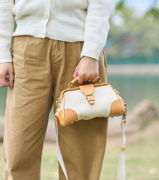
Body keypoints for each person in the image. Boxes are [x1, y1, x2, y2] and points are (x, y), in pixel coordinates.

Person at [0, 0, 115, 179]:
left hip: (80, 51)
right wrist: (2, 55)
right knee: (18, 151)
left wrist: (91, 53)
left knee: (81, 154)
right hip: (26, 52)